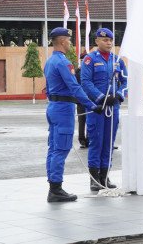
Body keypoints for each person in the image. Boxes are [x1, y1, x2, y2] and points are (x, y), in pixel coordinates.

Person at [44, 27, 100, 202]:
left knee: (53, 148)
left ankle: (53, 186)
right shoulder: (63, 62)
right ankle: (56, 189)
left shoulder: (49, 61)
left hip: (53, 107)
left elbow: (49, 87)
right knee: (61, 149)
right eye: (68, 40)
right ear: (62, 41)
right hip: (63, 109)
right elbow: (74, 87)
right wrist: (92, 105)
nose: (70, 43)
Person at [81, 28, 127, 192]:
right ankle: (94, 178)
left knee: (109, 142)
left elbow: (125, 81)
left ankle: (105, 176)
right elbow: (85, 82)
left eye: (110, 40)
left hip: (113, 107)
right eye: (105, 40)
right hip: (97, 108)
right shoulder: (90, 59)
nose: (109, 43)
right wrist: (101, 97)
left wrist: (119, 95)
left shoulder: (117, 60)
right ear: (97, 41)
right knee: (96, 141)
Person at [76, 52, 89, 148]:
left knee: (89, 120)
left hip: (89, 99)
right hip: (81, 100)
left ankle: (88, 139)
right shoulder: (77, 71)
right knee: (82, 120)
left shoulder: (89, 70)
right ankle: (82, 140)